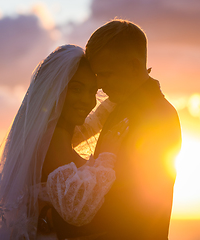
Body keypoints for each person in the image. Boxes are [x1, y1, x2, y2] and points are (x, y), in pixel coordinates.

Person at [0, 44, 127, 240]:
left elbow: (94, 121)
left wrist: (126, 89)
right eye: (77, 89)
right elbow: (76, 210)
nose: (87, 100)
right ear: (53, 91)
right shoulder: (52, 141)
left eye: (92, 91)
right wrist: (107, 155)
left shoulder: (51, 135)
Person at [51, 20, 182, 239]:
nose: (100, 85)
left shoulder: (156, 117)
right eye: (98, 76)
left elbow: (132, 206)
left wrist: (50, 216)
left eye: (106, 74)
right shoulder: (121, 107)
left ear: (132, 66)